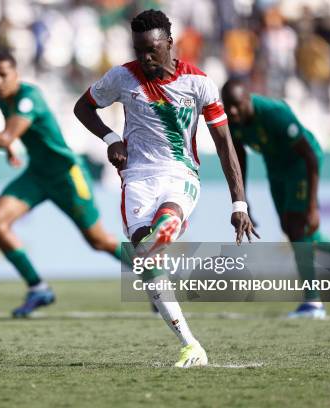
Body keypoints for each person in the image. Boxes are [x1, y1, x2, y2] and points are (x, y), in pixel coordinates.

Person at [74, 9, 257, 368]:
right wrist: (111, 138)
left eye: (152, 50)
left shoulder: (199, 83)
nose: (145, 58)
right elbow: (84, 108)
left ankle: (165, 238)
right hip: (136, 180)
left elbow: (225, 144)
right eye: (139, 50)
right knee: (148, 263)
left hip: (180, 175)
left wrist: (240, 203)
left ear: (170, 44)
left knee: (159, 233)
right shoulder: (122, 77)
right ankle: (192, 346)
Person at [0, 52, 122, 318]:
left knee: (99, 241)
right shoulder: (0, 97)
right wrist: (10, 148)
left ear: (16, 75)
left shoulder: (30, 97)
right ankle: (38, 288)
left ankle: (153, 276)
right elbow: (11, 132)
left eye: (3, 75)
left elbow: (7, 134)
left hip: (66, 174)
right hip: (37, 173)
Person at [221, 79, 330, 319]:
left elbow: (309, 155)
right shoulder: (233, 120)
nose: (232, 111)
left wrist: (312, 206)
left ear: (248, 99)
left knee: (297, 228)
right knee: (292, 229)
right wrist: (243, 200)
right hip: (275, 166)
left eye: (237, 105)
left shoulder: (275, 114)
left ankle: (313, 303)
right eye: (228, 105)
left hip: (301, 164)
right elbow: (238, 157)